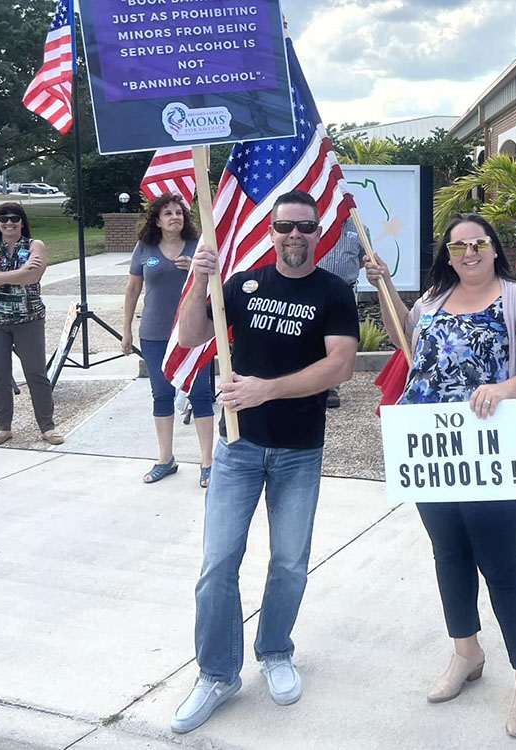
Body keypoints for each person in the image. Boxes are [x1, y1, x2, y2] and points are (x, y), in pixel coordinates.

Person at [365, 213, 516, 738]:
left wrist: (504, 389)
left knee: (502, 563)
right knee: (449, 553)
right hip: (434, 451)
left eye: (478, 243)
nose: (469, 253)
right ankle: (466, 652)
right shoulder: (432, 301)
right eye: (458, 246)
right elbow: (407, 340)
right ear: (447, 254)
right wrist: (385, 285)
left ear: (493, 248)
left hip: (491, 453)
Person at [171, 190, 359, 733]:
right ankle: (217, 673)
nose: (294, 236)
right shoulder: (244, 285)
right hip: (237, 448)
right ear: (272, 231)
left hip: (300, 450)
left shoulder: (333, 292)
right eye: (285, 227)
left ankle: (275, 650)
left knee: (290, 563)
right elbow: (191, 335)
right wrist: (198, 283)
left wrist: (265, 391)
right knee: (217, 565)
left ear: (317, 231)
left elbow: (340, 366)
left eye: (305, 227)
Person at [122, 194, 214, 486]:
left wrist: (197, 272)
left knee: (200, 394)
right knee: (161, 395)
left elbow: (220, 283)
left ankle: (208, 463)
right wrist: (126, 330)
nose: (175, 217)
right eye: (167, 213)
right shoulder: (144, 248)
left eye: (179, 212)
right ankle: (166, 459)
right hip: (154, 334)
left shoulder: (198, 248)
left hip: (193, 333)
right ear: (157, 220)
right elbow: (132, 290)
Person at [0, 202, 63, 447]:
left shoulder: (35, 245)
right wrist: (18, 273)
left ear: (22, 222)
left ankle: (48, 426)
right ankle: (3, 427)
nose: (9, 223)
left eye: (15, 218)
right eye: (4, 219)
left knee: (36, 373)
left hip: (28, 319)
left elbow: (33, 276)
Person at [317, 214, 367, 408]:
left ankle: (332, 388)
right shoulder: (317, 225)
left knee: (340, 339)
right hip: (317, 289)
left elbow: (363, 258)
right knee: (316, 337)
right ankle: (312, 385)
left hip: (345, 291)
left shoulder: (359, 227)